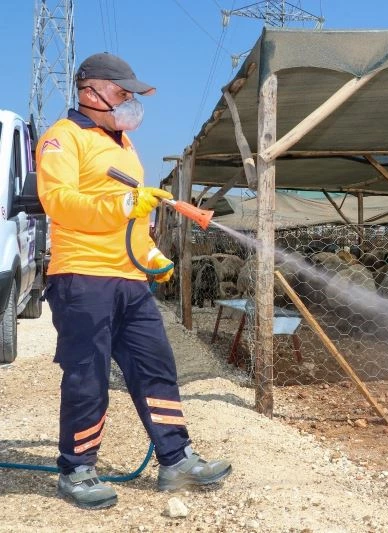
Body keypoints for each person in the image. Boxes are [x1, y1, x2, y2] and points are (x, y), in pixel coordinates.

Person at [36, 52, 231, 510]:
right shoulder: (62, 138)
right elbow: (59, 201)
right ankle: (77, 469)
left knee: (155, 365)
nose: (129, 102)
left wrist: (151, 255)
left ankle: (176, 459)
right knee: (88, 375)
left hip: (129, 279)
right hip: (83, 276)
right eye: (121, 93)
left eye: (130, 95)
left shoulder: (124, 144)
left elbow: (134, 224)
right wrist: (123, 205)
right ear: (91, 92)